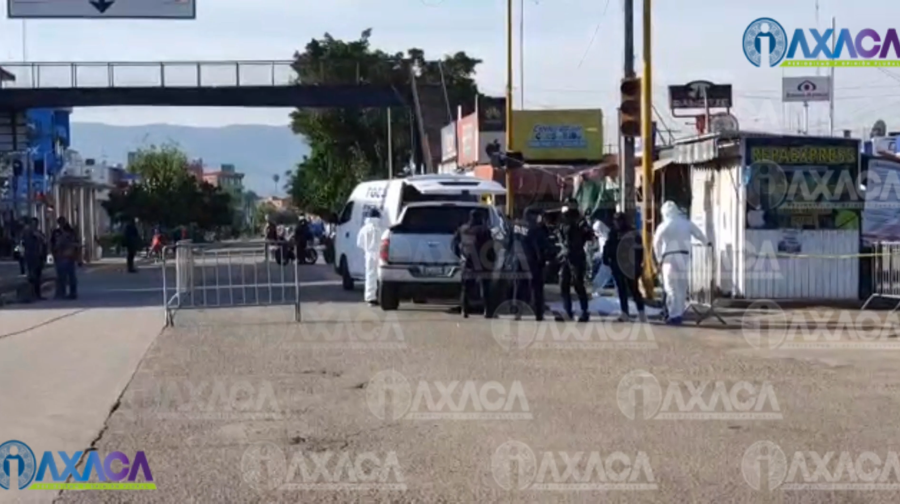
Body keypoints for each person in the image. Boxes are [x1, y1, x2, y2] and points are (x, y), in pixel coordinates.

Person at [652, 200, 710, 325]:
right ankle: (679, 313)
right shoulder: (686, 223)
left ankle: (673, 315)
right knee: (681, 287)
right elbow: (699, 234)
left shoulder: (664, 225)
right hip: (684, 257)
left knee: (670, 287)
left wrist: (659, 258)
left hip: (669, 258)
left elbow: (656, 242)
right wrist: (706, 243)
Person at [603, 212, 647, 322]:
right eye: (616, 220)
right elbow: (608, 246)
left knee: (634, 290)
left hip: (629, 265)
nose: (617, 223)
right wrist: (606, 258)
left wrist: (638, 264)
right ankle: (624, 312)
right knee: (621, 290)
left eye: (619, 220)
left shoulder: (632, 233)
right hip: (617, 264)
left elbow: (639, 250)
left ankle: (641, 312)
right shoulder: (613, 233)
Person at [452, 209, 496, 318]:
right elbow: (489, 246)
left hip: (467, 261)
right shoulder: (484, 230)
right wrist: (492, 260)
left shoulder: (463, 229)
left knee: (466, 287)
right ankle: (488, 311)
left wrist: (461, 255)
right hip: (482, 261)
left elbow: (454, 244)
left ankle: (464, 310)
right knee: (485, 287)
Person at [555, 201, 594, 322]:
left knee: (578, 284)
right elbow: (559, 234)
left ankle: (584, 312)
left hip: (577, 255)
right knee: (563, 283)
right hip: (565, 256)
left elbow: (589, 235)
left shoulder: (580, 220)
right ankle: (568, 311)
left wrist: (584, 230)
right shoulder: (563, 220)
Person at [514, 208, 551, 321]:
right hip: (532, 261)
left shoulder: (516, 226)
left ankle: (517, 312)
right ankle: (538, 313)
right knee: (536, 288)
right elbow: (539, 246)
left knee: (519, 287)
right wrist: (543, 260)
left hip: (518, 260)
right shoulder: (535, 228)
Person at [356, 208, 383, 305]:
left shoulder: (364, 229)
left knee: (370, 276)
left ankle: (370, 297)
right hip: (379, 254)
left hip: (369, 254)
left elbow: (359, 243)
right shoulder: (379, 229)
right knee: (380, 276)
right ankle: (377, 296)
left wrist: (366, 249)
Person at [50, 216, 79, 300]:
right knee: (61, 276)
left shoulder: (70, 232)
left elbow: (76, 243)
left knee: (70, 276)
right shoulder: (56, 232)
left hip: (69, 256)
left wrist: (75, 254)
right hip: (60, 256)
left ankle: (72, 293)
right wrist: (54, 253)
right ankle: (61, 292)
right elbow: (52, 243)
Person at [21, 218, 46, 301]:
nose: (34, 225)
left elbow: (44, 241)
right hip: (31, 257)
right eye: (33, 224)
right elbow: (24, 242)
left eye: (36, 224)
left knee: (38, 276)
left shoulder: (38, 233)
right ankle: (32, 294)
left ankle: (37, 294)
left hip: (38, 257)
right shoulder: (27, 232)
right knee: (32, 276)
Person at [591, 214, 613, 294]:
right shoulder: (604, 234)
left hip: (606, 253)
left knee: (606, 271)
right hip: (604, 253)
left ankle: (597, 287)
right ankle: (597, 287)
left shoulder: (601, 230)